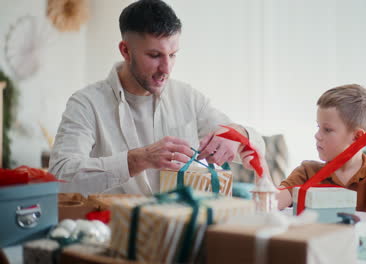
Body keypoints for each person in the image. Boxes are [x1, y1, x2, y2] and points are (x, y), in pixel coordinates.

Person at [49, 0, 264, 195]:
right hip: (113, 231)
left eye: (172, 55)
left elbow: (256, 145)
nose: (166, 68)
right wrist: (138, 160)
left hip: (180, 230)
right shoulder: (85, 104)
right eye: (154, 55)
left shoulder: (188, 98)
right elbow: (60, 177)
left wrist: (237, 134)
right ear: (125, 50)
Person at [244, 84, 366, 219]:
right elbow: (270, 203)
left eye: (327, 130)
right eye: (318, 127)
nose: (317, 135)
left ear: (358, 137)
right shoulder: (307, 172)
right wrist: (259, 165)